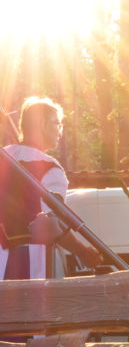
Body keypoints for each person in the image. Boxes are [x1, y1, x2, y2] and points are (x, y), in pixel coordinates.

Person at [1, 97, 101, 282]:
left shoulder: (4, 156)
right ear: (42, 124)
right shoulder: (49, 168)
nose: (60, 131)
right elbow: (50, 225)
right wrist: (83, 251)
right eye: (57, 123)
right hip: (28, 265)